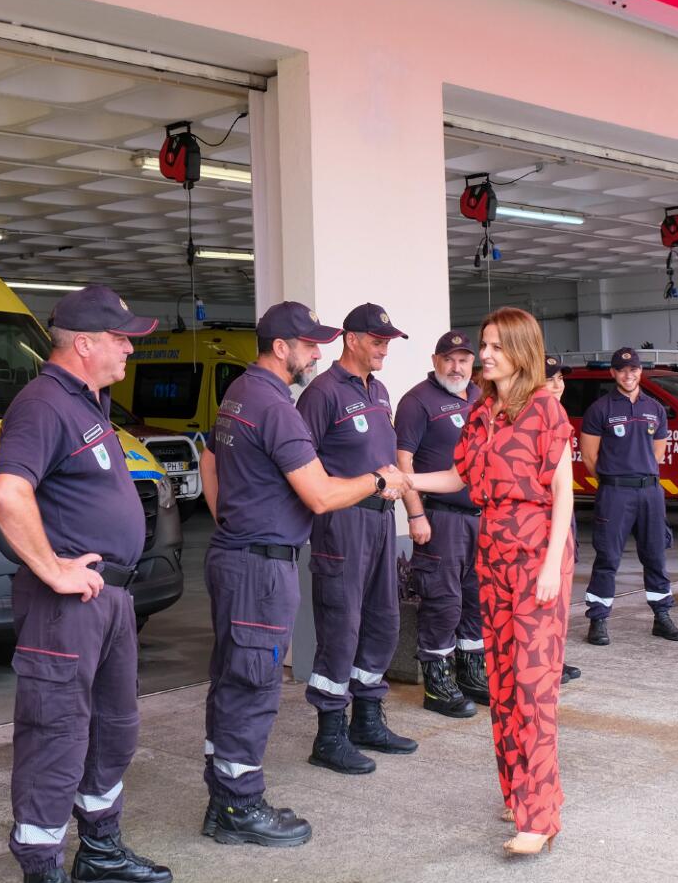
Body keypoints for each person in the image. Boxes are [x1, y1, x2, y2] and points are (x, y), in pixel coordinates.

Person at [0, 286, 171, 883]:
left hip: (112, 598)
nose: (130, 346)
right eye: (122, 337)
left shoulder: (90, 401)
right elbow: (8, 494)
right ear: (85, 343)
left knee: (114, 728)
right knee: (56, 735)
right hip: (68, 606)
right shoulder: (43, 404)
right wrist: (51, 569)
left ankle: (98, 849)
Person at [198, 301, 408, 846]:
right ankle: (240, 807)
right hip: (260, 566)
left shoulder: (240, 393)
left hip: (240, 554)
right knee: (253, 686)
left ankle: (224, 800)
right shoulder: (278, 406)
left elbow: (210, 464)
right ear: (281, 347)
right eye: (309, 344)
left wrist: (231, 519)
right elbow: (318, 494)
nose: (317, 352)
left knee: (232, 681)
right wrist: (378, 482)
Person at [408, 307, 574, 856]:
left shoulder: (546, 409)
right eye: (485, 344)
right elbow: (460, 476)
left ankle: (541, 816)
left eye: (497, 346)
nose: (485, 354)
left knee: (532, 685)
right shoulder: (483, 412)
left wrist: (551, 565)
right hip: (494, 548)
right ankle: (518, 792)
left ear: (523, 350)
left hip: (537, 554)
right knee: (502, 682)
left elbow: (564, 492)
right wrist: (405, 480)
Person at [296, 302, 419, 774]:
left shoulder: (380, 390)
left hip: (380, 519)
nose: (382, 347)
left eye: (387, 340)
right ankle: (329, 735)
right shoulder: (323, 393)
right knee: (341, 625)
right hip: (341, 522)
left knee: (383, 620)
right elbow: (301, 465)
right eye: (375, 339)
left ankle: (367, 717)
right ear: (350, 339)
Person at [394, 330, 484, 718]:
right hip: (440, 518)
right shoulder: (417, 402)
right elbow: (403, 464)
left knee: (475, 599)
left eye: (463, 360)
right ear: (435, 361)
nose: (456, 366)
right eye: (449, 359)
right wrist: (415, 514)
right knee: (443, 602)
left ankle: (471, 673)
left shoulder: (479, 396)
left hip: (480, 518)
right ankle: (438, 683)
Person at [579, 347, 678, 647]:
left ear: (641, 372)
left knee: (655, 555)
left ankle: (662, 617)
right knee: (608, 557)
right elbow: (589, 456)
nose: (628, 374)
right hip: (614, 492)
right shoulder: (600, 409)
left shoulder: (655, 408)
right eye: (622, 370)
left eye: (634, 369)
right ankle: (598, 620)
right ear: (613, 373)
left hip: (650, 492)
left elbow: (658, 453)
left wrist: (639, 477)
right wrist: (615, 479)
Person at [543, 356, 582, 685]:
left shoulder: (559, 416)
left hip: (562, 516)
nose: (558, 385)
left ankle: (556, 657)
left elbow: (565, 488)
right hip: (538, 523)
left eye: (560, 379)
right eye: (550, 379)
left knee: (560, 595)